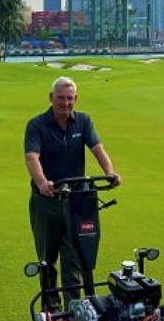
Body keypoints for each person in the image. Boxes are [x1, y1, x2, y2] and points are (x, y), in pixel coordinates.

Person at [24, 76, 121, 308]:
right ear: (51, 98)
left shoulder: (83, 122)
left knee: (74, 258)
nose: (65, 103)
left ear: (75, 99)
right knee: (48, 258)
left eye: (69, 98)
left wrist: (110, 172)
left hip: (76, 201)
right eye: (60, 98)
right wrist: (42, 182)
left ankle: (75, 308)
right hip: (47, 200)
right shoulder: (36, 125)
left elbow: (97, 148)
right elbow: (31, 156)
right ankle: (51, 308)